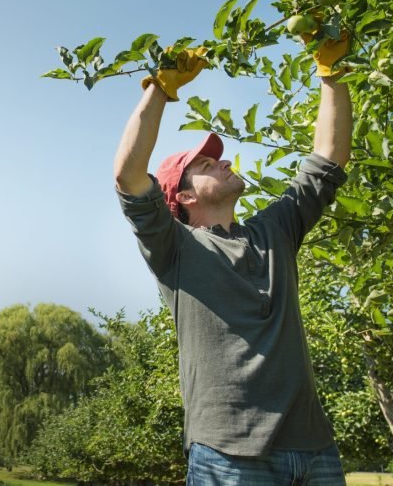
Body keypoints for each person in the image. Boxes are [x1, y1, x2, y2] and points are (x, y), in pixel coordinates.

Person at [113, 33, 352, 486]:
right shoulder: (175, 248)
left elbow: (328, 160)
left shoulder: (273, 230)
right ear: (182, 196)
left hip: (314, 449)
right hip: (229, 455)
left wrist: (331, 71)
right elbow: (127, 175)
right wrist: (159, 91)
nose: (221, 164)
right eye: (205, 165)